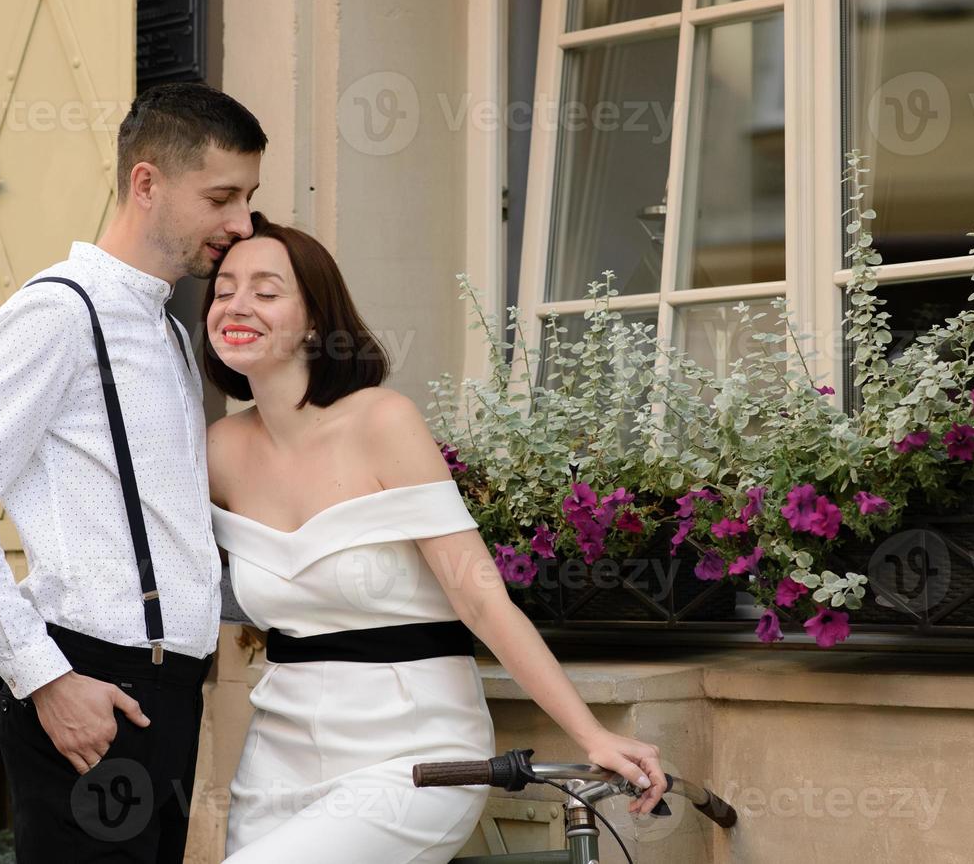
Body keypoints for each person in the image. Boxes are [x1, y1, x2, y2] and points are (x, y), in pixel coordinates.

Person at [203, 213, 668, 862]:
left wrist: (591, 735)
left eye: (266, 289)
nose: (237, 304)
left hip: (415, 753)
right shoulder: (218, 452)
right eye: (223, 289)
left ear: (316, 320)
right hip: (278, 758)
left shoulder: (383, 422)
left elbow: (481, 599)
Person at [0, 81, 265, 862]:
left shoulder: (168, 332)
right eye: (222, 196)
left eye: (250, 197)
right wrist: (45, 678)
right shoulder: (57, 314)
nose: (241, 223)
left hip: (169, 694)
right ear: (147, 184)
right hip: (91, 685)